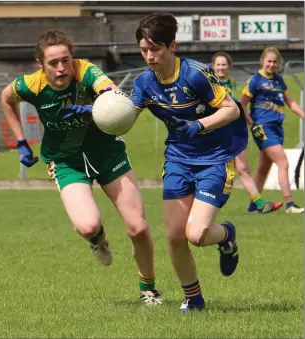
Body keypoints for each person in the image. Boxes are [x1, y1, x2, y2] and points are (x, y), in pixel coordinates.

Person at [1, 29, 162, 305]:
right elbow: (6, 98)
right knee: (87, 226)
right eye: (53, 63)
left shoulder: (86, 72)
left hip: (107, 153)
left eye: (66, 59)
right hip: (66, 160)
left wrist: (100, 106)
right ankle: (98, 240)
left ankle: (148, 289)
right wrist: (20, 142)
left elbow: (110, 89)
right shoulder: (30, 85)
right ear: (41, 64)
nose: (62, 68)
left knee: (137, 227)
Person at [132, 13, 244, 312]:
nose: (149, 56)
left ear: (172, 46)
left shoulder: (195, 74)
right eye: (144, 50)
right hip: (178, 160)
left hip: (214, 159)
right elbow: (123, 116)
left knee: (196, 235)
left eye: (155, 49)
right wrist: (95, 114)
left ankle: (227, 234)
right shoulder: (144, 82)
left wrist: (198, 126)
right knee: (175, 236)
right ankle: (194, 299)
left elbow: (231, 110)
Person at [212, 51, 283, 213]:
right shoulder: (209, 83)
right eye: (218, 65)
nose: (221, 67)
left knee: (243, 169)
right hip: (215, 131)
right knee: (214, 171)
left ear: (229, 67)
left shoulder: (231, 82)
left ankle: (259, 204)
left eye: (224, 64)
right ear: (213, 66)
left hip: (232, 130)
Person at [240, 47, 304, 214]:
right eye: (269, 61)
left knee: (263, 168)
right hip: (263, 127)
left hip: (276, 128)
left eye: (275, 62)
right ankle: (290, 204)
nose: (272, 64)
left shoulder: (279, 80)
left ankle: (254, 206)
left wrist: (303, 115)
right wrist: (252, 124)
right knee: (283, 162)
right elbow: (242, 104)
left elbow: (291, 102)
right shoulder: (255, 80)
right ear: (262, 61)